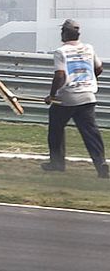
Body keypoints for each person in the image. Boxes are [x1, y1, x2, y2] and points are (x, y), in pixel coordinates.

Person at [41, 19, 109, 178]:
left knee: (56, 129)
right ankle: (101, 165)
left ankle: (57, 163)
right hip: (88, 96)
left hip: (67, 98)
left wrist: (52, 95)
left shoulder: (61, 52)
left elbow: (60, 76)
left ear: (64, 33)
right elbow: (98, 68)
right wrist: (88, 80)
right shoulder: (89, 48)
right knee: (91, 133)